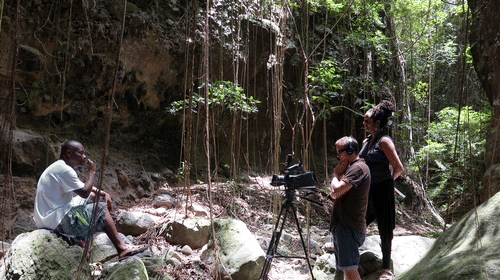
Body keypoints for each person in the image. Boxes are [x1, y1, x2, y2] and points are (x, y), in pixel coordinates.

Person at [34, 140, 148, 260]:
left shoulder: (60, 167)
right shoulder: (64, 170)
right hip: (53, 220)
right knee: (100, 209)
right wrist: (92, 172)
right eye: (80, 153)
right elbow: (84, 192)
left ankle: (81, 241)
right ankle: (122, 248)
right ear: (69, 153)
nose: (84, 157)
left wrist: (103, 193)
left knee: (93, 197)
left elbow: (82, 187)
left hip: (52, 215)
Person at [359, 100, 404, 280]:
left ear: (377, 123)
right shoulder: (366, 141)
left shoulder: (385, 142)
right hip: (367, 191)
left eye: (367, 120)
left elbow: (398, 168)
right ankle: (351, 256)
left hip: (383, 190)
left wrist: (387, 182)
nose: (364, 123)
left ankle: (386, 269)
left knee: (385, 229)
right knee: (359, 221)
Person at [329, 136, 371, 280]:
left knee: (350, 272)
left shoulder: (357, 168)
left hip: (348, 227)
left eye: (340, 152)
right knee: (348, 271)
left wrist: (335, 174)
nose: (337, 156)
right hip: (345, 226)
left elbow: (335, 193)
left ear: (351, 151)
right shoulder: (353, 168)